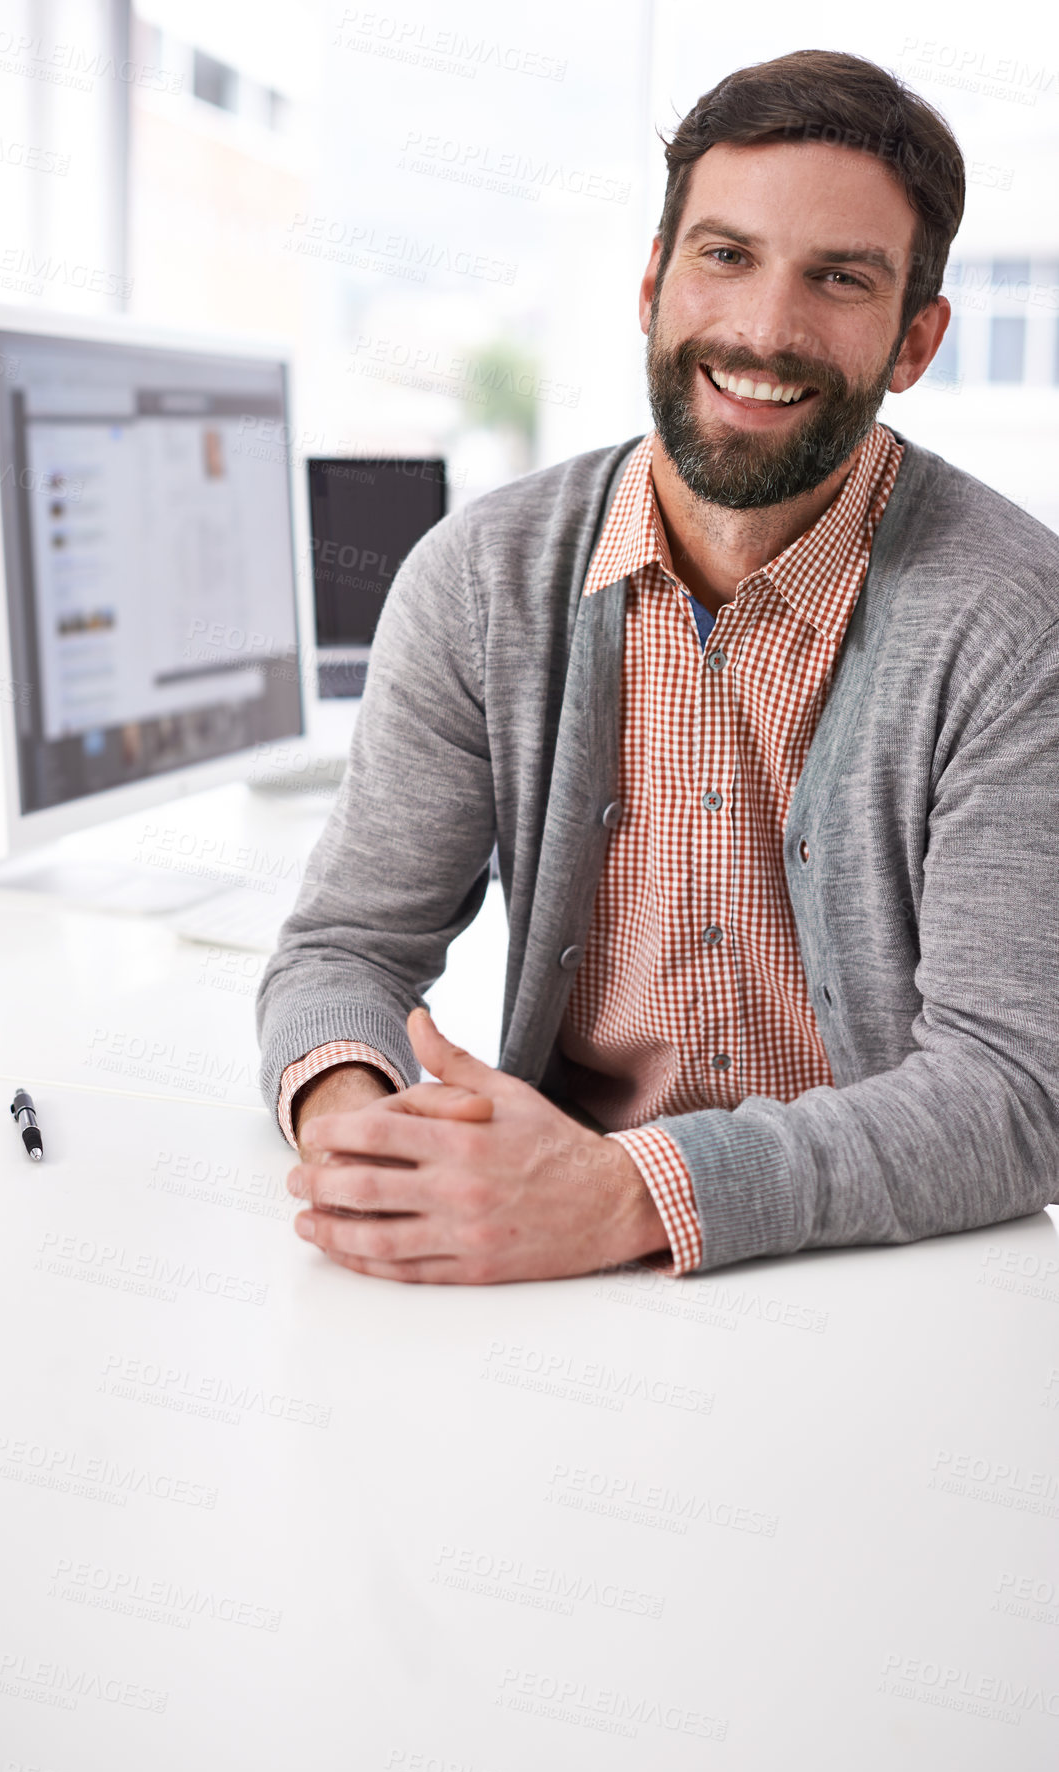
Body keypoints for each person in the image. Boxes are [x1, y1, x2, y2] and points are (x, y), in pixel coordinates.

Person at [256, 48, 1059, 1284]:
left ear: (914, 341)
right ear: (651, 282)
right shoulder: (481, 578)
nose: (762, 329)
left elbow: (1013, 1088)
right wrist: (364, 1141)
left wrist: (630, 1190)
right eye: (724, 255)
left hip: (880, 1273)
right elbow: (346, 950)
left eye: (836, 279)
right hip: (553, 1261)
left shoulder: (1013, 619)